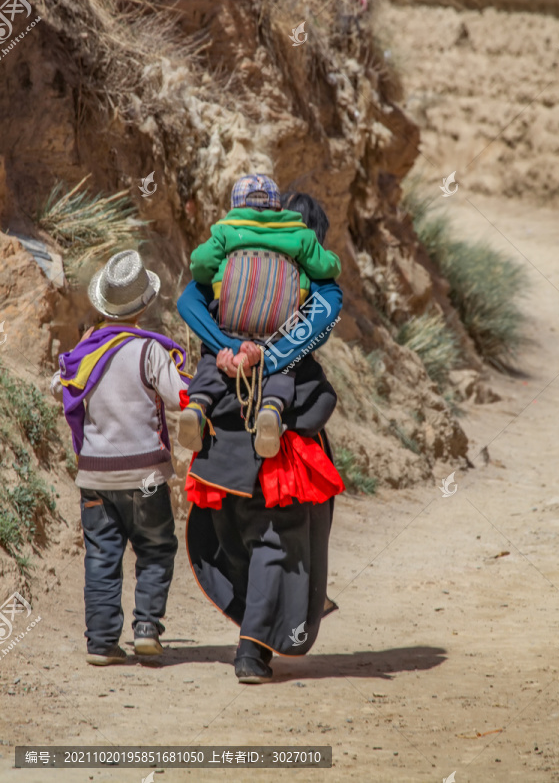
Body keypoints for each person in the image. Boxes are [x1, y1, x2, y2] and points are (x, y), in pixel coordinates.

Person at [178, 193, 345, 683]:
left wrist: (231, 349)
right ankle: (252, 650)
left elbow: (189, 298)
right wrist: (272, 372)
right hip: (277, 466)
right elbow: (318, 402)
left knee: (237, 542)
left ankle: (257, 630)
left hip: (218, 463)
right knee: (276, 544)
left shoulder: (220, 302)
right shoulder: (311, 303)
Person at [51, 250, 190, 666]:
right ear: (144, 305)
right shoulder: (149, 352)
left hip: (94, 479)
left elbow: (60, 388)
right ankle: (146, 629)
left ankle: (101, 642)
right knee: (156, 547)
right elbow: (180, 397)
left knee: (101, 557)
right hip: (145, 475)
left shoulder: (83, 354)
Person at [179, 175, 341, 458]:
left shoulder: (226, 234)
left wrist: (228, 348)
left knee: (208, 361)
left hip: (230, 340)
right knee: (321, 396)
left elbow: (193, 287)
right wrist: (266, 359)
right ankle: (272, 410)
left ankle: (198, 406)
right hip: (276, 343)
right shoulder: (305, 249)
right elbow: (321, 323)